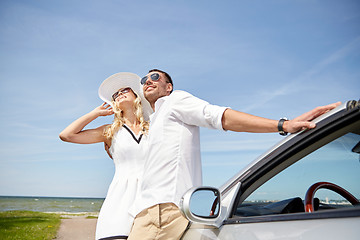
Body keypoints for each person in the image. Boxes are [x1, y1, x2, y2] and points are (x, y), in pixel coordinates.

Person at [127, 69, 341, 240]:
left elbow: (219, 116)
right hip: (148, 212)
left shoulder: (175, 100)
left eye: (155, 77)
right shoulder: (155, 120)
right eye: (145, 78)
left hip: (161, 212)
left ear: (169, 87)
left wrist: (282, 125)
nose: (148, 81)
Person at [59, 72, 152, 240]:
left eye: (125, 90)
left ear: (136, 95)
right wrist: (94, 114)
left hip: (150, 199)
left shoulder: (152, 128)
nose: (119, 94)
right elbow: (67, 135)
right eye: (115, 95)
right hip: (119, 202)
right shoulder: (109, 131)